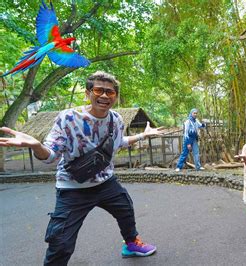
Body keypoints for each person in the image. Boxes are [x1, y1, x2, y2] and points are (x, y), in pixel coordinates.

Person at [0, 71, 161, 264]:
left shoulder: (115, 119)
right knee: (60, 242)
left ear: (115, 96)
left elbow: (119, 142)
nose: (104, 95)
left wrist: (143, 136)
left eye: (109, 92)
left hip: (106, 182)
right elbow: (51, 155)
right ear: (88, 93)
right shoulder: (68, 118)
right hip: (72, 187)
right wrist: (36, 146)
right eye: (98, 90)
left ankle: (131, 243)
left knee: (125, 208)